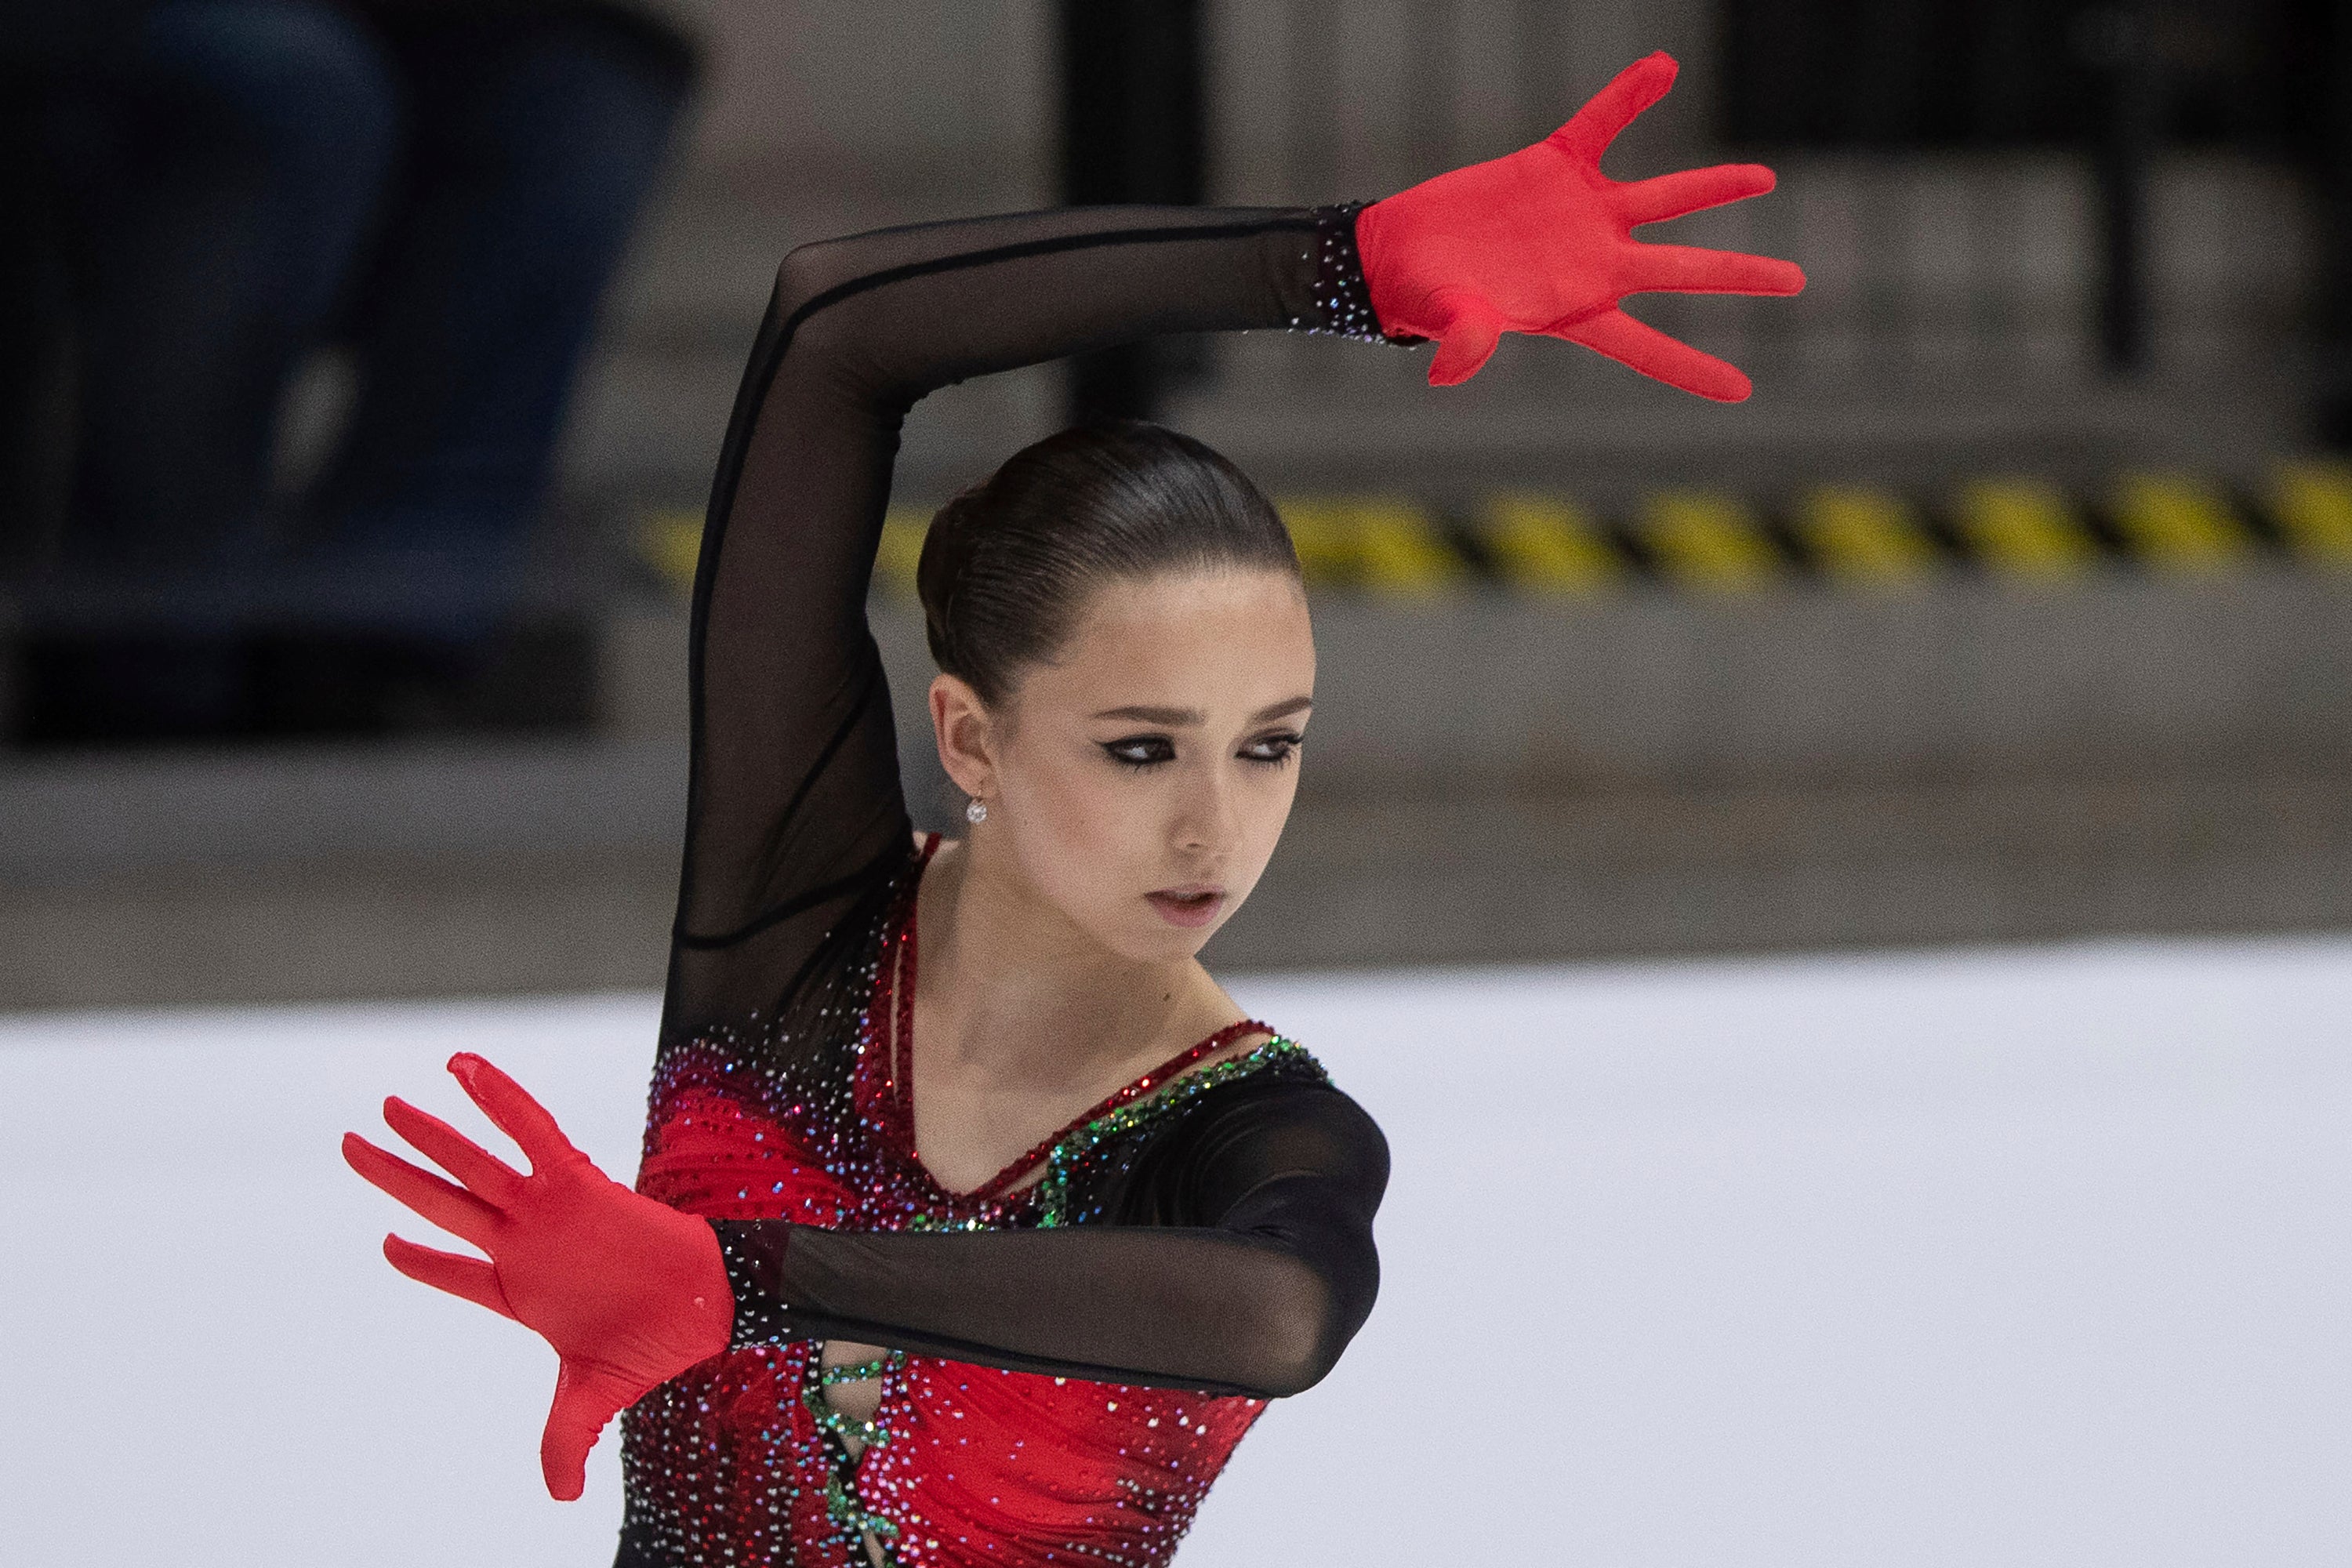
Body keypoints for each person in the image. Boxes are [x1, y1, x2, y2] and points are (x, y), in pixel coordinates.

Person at [344, 52, 1803, 1568]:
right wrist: (1333, 266)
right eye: (1139, 750)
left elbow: (1282, 1315)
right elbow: (838, 328)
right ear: (970, 737)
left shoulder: (1252, 1127)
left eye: (1269, 747)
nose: (1215, 833)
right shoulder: (797, 925)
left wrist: (737, 1280)